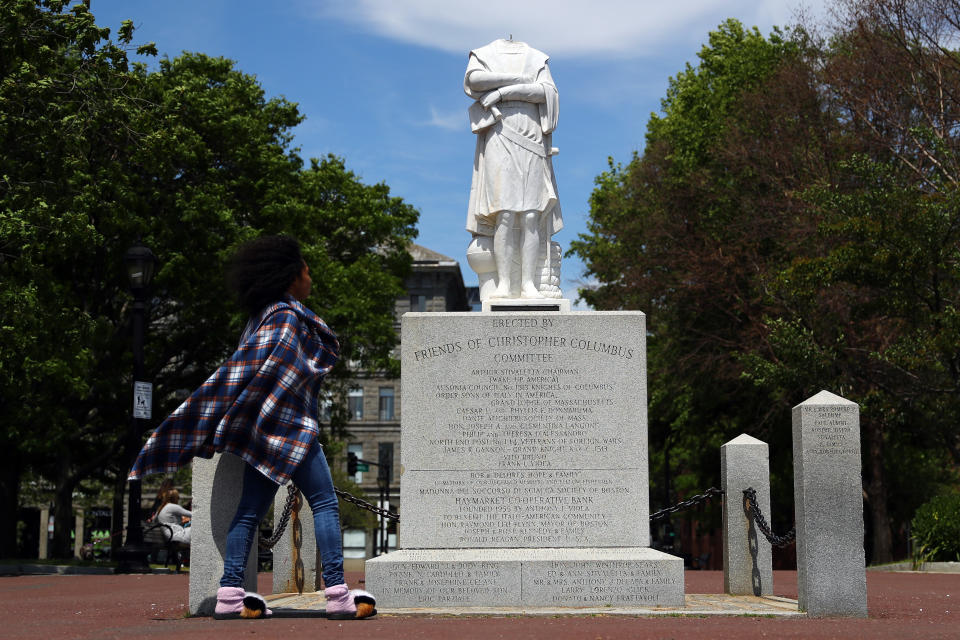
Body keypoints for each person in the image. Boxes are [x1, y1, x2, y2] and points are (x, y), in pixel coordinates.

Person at [128, 235, 375, 620]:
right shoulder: (289, 317)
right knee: (325, 503)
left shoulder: (260, 318)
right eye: (308, 271)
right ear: (292, 276)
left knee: (247, 512)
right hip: (294, 430)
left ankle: (229, 596)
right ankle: (339, 596)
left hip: (261, 435)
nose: (311, 278)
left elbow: (243, 372)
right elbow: (288, 372)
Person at [464, 38, 563, 299]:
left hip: (531, 133)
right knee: (504, 214)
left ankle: (528, 283)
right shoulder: (484, 53)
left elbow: (546, 92)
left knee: (531, 215)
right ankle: (505, 284)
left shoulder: (538, 57)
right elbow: (474, 81)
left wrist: (502, 92)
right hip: (500, 132)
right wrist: (518, 81)